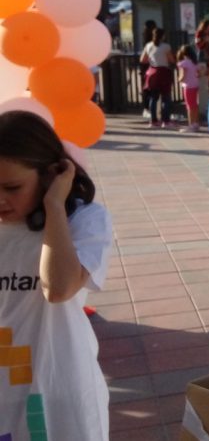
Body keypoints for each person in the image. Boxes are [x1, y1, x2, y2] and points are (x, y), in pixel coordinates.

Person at [0, 111, 113, 441]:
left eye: (12, 187)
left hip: (60, 389)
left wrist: (54, 207)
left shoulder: (85, 220)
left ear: (50, 175)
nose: (0, 199)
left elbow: (59, 288)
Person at [140, 27, 176, 128]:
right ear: (162, 36)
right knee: (166, 97)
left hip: (152, 72)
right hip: (163, 72)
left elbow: (142, 60)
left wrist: (152, 60)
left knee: (153, 97)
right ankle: (166, 121)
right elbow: (171, 60)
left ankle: (153, 121)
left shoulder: (148, 45)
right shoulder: (166, 46)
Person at [176, 45, 203, 132]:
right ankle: (196, 123)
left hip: (188, 86)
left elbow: (182, 76)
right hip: (195, 85)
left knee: (189, 106)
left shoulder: (183, 63)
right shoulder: (194, 62)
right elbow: (199, 73)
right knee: (194, 105)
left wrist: (179, 80)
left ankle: (191, 125)